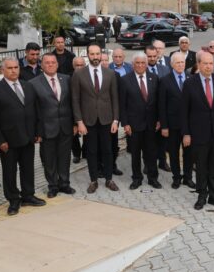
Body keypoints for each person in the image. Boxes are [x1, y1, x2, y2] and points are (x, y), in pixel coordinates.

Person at [0, 58, 45, 216]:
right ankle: (13, 199)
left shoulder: (28, 85)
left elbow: (36, 110)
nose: (13, 70)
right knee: (9, 171)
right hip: (8, 141)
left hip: (28, 137)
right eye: (10, 68)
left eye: (16, 67)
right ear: (3, 70)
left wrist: (38, 132)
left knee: (28, 168)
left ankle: (28, 195)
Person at [182, 51, 214, 211]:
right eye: (205, 63)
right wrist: (186, 133)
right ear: (199, 64)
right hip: (198, 133)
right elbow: (185, 111)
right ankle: (202, 196)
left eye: (211, 63)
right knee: (201, 167)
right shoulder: (190, 83)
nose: (209, 66)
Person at [72, 44, 121, 193]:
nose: (95, 57)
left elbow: (114, 98)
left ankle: (108, 179)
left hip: (107, 120)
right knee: (91, 151)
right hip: (88, 121)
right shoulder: (79, 75)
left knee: (108, 150)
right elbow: (75, 100)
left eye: (97, 54)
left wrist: (115, 120)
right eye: (92, 54)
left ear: (101, 55)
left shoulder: (110, 73)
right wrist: (79, 122)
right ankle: (93, 180)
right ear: (87, 55)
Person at [30, 53, 76, 198]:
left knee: (64, 157)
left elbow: (73, 103)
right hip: (46, 129)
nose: (50, 65)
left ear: (57, 64)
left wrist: (75, 123)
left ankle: (64, 183)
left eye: (53, 62)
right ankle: (53, 185)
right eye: (47, 63)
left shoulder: (67, 79)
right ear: (41, 65)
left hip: (66, 126)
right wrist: (36, 132)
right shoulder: (34, 83)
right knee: (49, 160)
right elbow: (33, 109)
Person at [120, 52, 161, 190]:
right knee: (135, 154)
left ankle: (153, 178)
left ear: (146, 64)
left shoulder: (154, 78)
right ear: (133, 64)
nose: (140, 65)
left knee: (152, 153)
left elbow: (158, 102)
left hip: (151, 124)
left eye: (143, 62)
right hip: (134, 125)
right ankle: (137, 178)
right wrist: (125, 123)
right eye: (137, 63)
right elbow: (122, 104)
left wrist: (159, 120)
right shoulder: (125, 80)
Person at [159, 52, 195, 189]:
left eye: (182, 62)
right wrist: (164, 126)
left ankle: (188, 178)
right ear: (172, 64)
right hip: (172, 125)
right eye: (178, 62)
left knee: (189, 153)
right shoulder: (165, 81)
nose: (180, 65)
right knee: (174, 153)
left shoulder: (191, 79)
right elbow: (161, 105)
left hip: (189, 126)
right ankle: (176, 178)